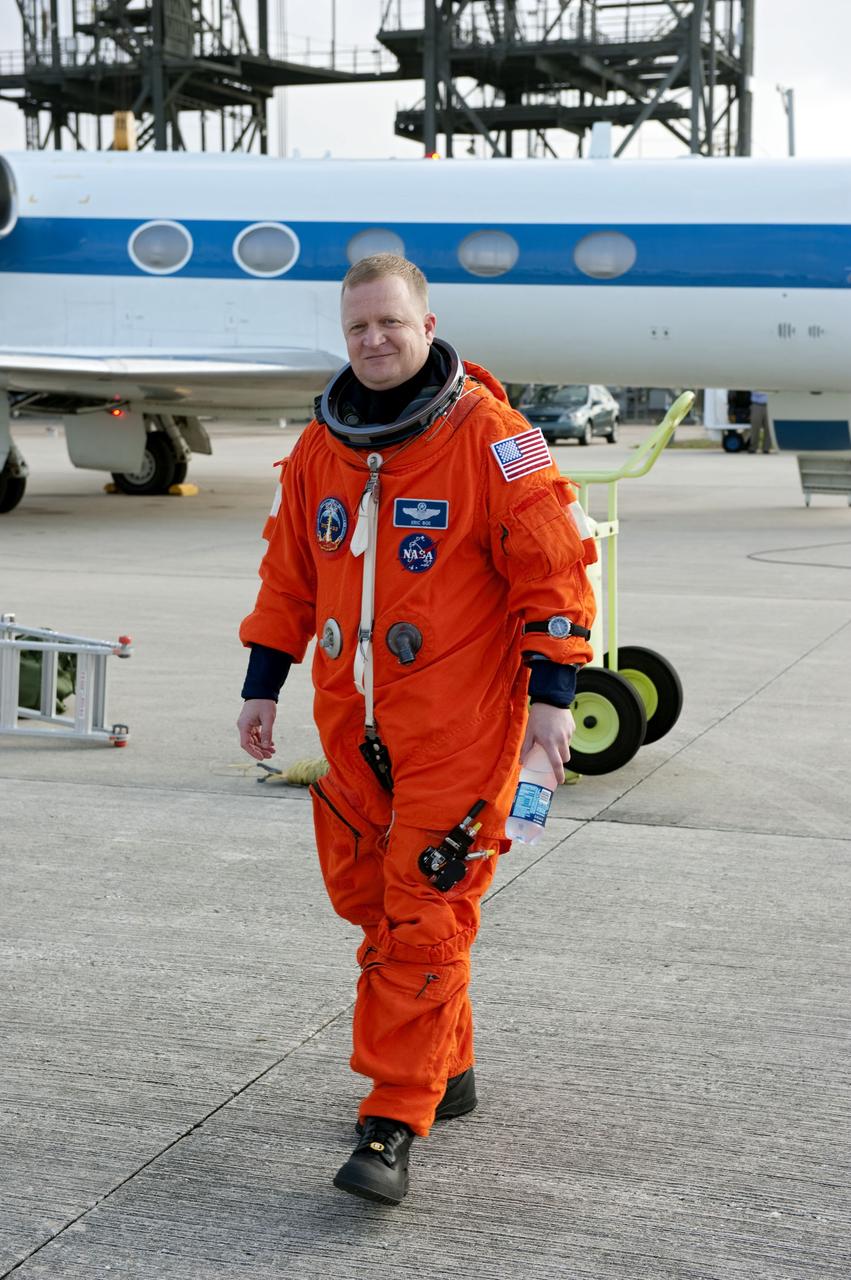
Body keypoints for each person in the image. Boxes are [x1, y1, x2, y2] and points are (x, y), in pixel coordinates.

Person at [237, 254, 596, 1206]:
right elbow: (288, 578)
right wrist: (260, 687)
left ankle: (394, 1115)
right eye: (357, 328)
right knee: (370, 901)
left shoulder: (492, 439)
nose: (373, 341)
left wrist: (552, 708)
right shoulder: (323, 446)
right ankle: (449, 1064)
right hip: (354, 726)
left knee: (423, 912)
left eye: (390, 324)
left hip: (460, 727)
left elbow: (554, 576)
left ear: (427, 324)